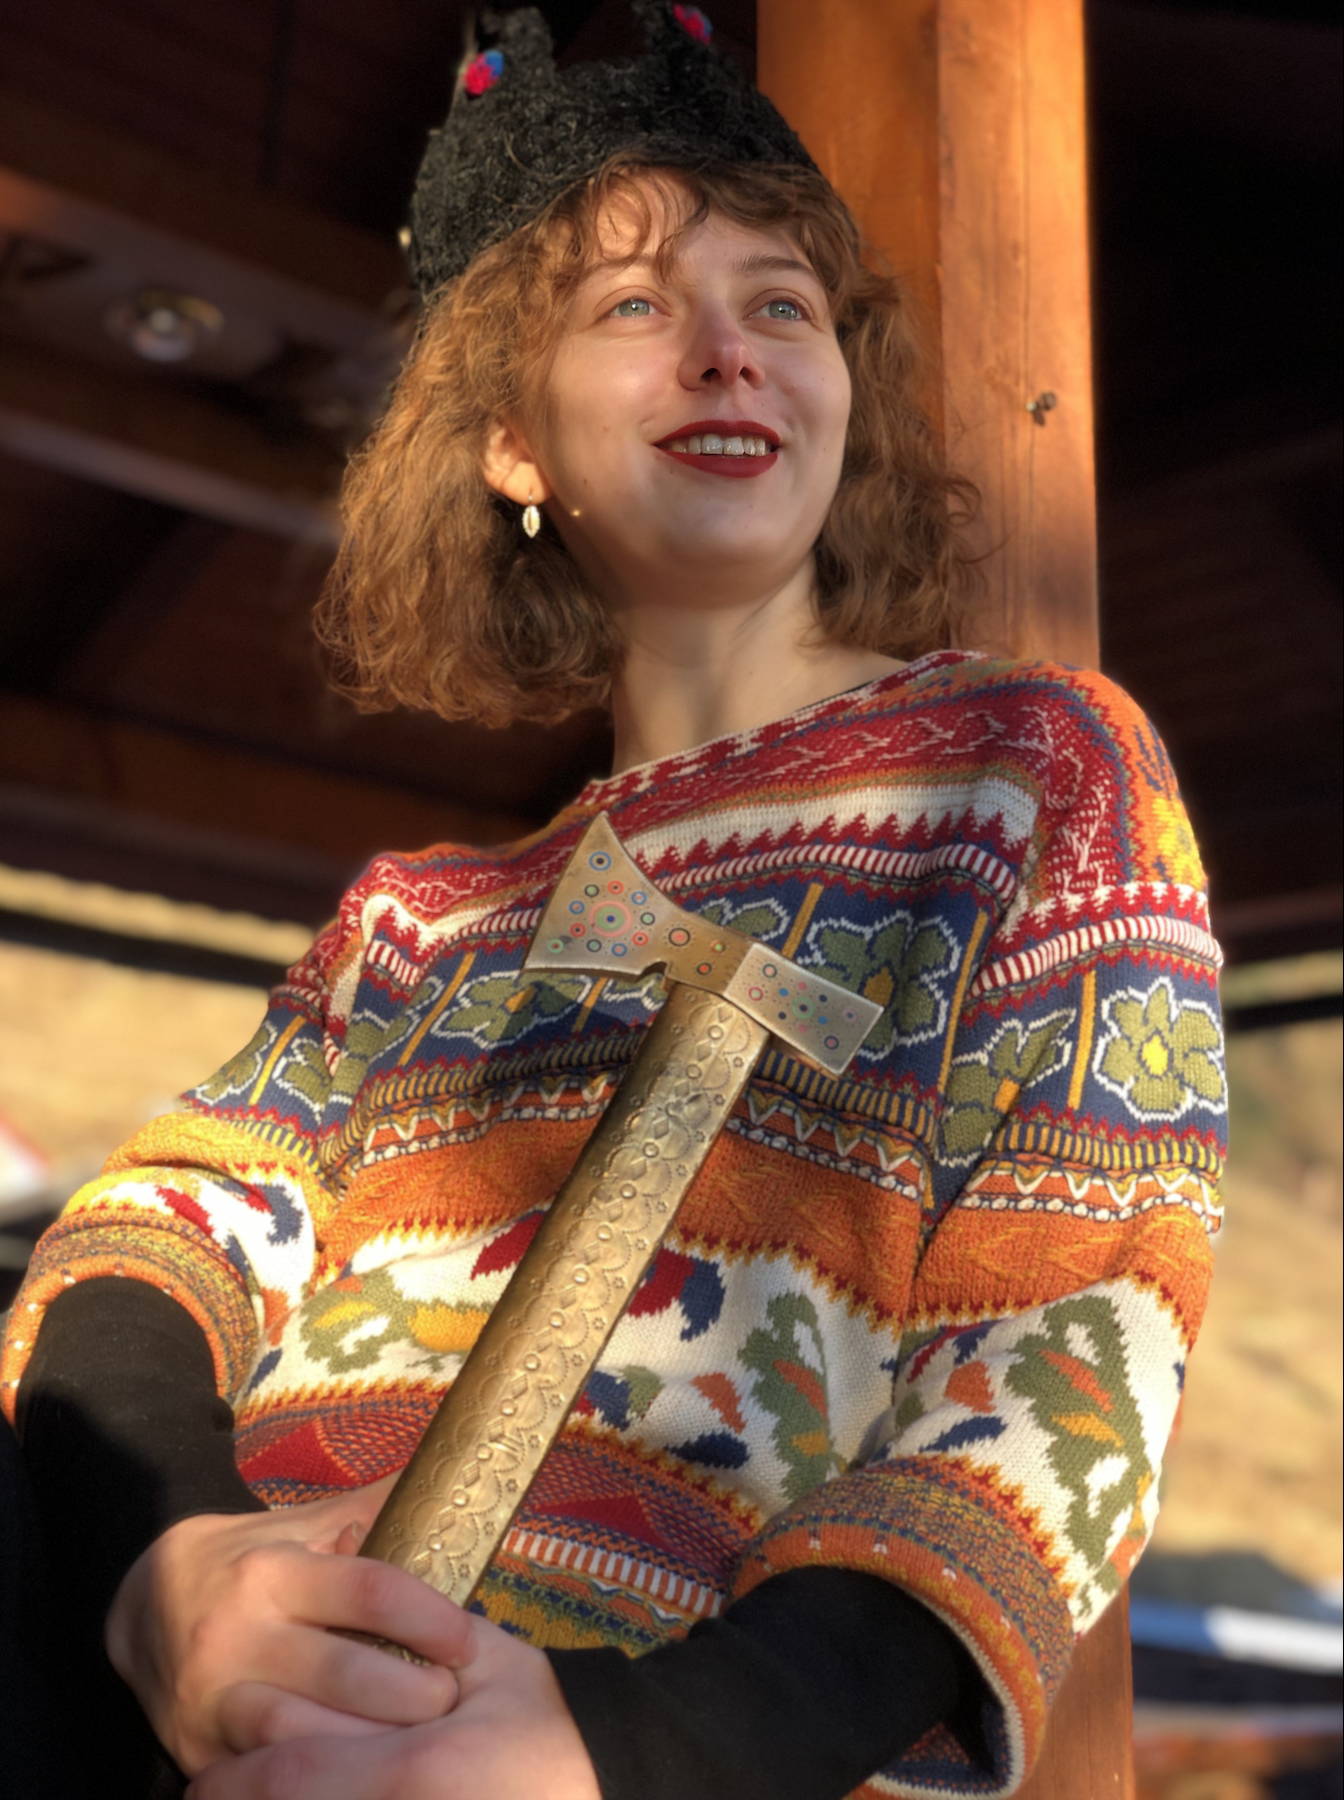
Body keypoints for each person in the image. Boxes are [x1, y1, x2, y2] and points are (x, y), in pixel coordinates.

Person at [2, 7, 1227, 1798]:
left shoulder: (1020, 774)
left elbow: (1080, 1337)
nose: (729, 354)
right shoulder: (420, 923)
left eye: (783, 307)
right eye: (636, 307)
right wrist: (164, 1571)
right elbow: (159, 1230)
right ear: (511, 443)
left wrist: (622, 1755)